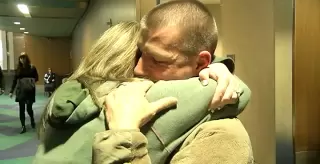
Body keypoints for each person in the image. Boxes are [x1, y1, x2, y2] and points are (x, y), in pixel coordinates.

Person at [34, 22, 252, 163]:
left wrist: (217, 66)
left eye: (156, 60)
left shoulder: (69, 100)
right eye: (142, 57)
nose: (140, 69)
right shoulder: (222, 129)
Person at [9, 53, 39, 134]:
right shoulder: (18, 69)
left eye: (23, 58)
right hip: (20, 91)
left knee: (29, 108)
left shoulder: (32, 68)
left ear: (27, 59)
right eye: (20, 58)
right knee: (21, 109)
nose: (22, 60)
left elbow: (37, 78)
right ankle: (23, 126)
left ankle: (32, 119)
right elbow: (15, 80)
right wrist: (11, 91)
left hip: (30, 91)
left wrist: (29, 81)